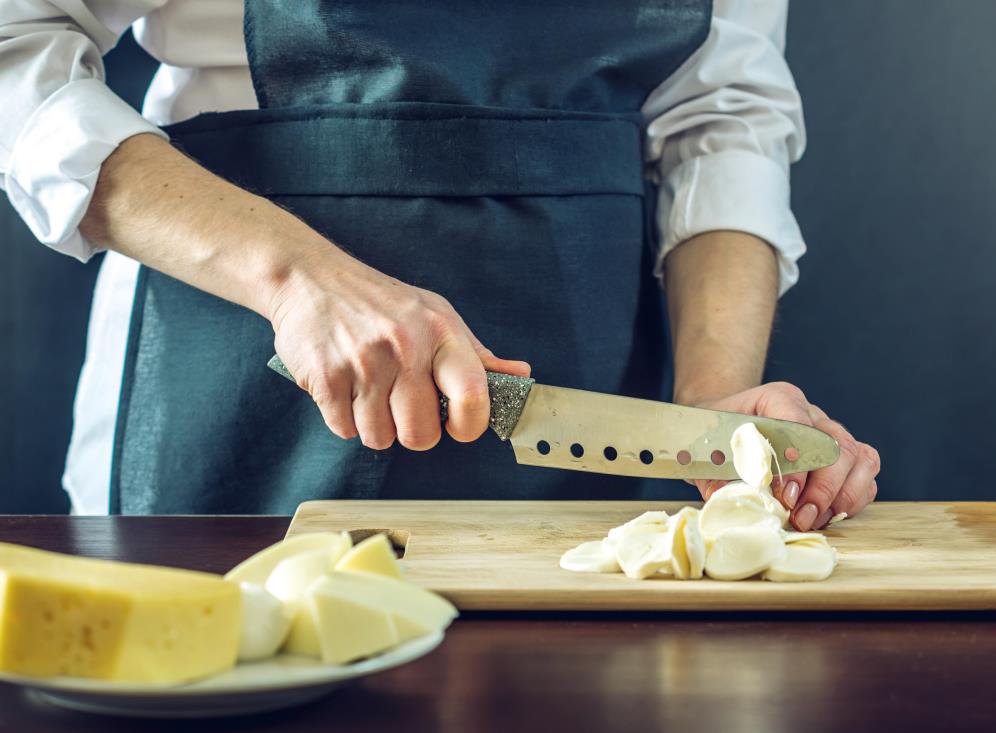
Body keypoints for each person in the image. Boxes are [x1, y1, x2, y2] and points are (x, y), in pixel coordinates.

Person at [0, 0, 879, 528]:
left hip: (593, 372)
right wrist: (297, 280)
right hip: (235, 370)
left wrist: (712, 414)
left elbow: (722, 117)